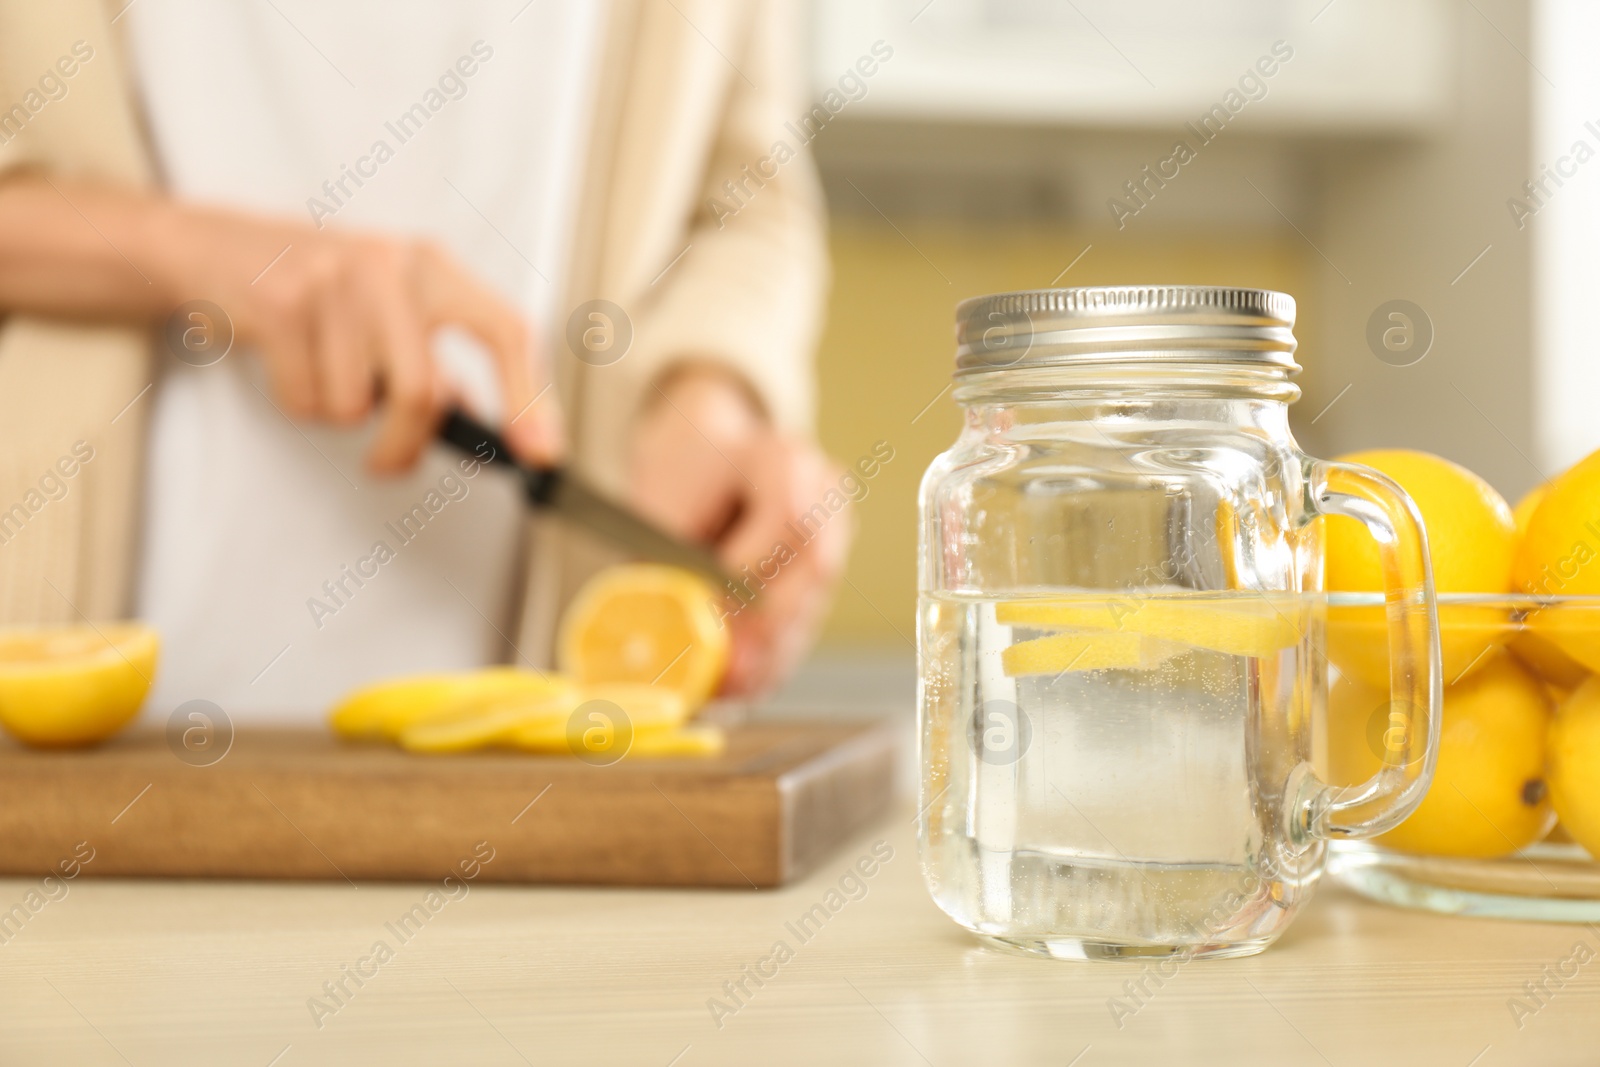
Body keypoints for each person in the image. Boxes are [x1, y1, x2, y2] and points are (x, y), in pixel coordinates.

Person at [0, 0, 845, 716]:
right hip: (86, 722)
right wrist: (199, 255)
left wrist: (708, 398)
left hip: (530, 760)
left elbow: (748, 200)